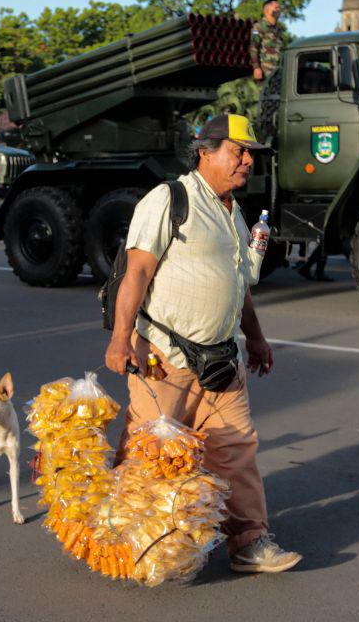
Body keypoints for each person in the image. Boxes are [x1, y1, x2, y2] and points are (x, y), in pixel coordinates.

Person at [104, 113, 302, 574]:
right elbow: (136, 272)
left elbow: (239, 283)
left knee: (236, 449)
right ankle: (127, 536)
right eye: (239, 151)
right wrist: (120, 339)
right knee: (149, 456)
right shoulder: (169, 199)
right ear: (205, 151)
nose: (248, 161)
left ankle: (250, 540)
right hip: (163, 359)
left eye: (250, 153)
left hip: (222, 359)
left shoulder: (231, 210)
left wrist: (255, 337)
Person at [249, 0, 286, 145]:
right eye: (276, 7)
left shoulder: (278, 29)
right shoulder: (259, 26)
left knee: (275, 104)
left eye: (280, 7)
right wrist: (256, 67)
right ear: (267, 9)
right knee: (262, 106)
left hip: (277, 74)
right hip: (264, 73)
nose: (279, 10)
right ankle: (260, 136)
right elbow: (253, 48)